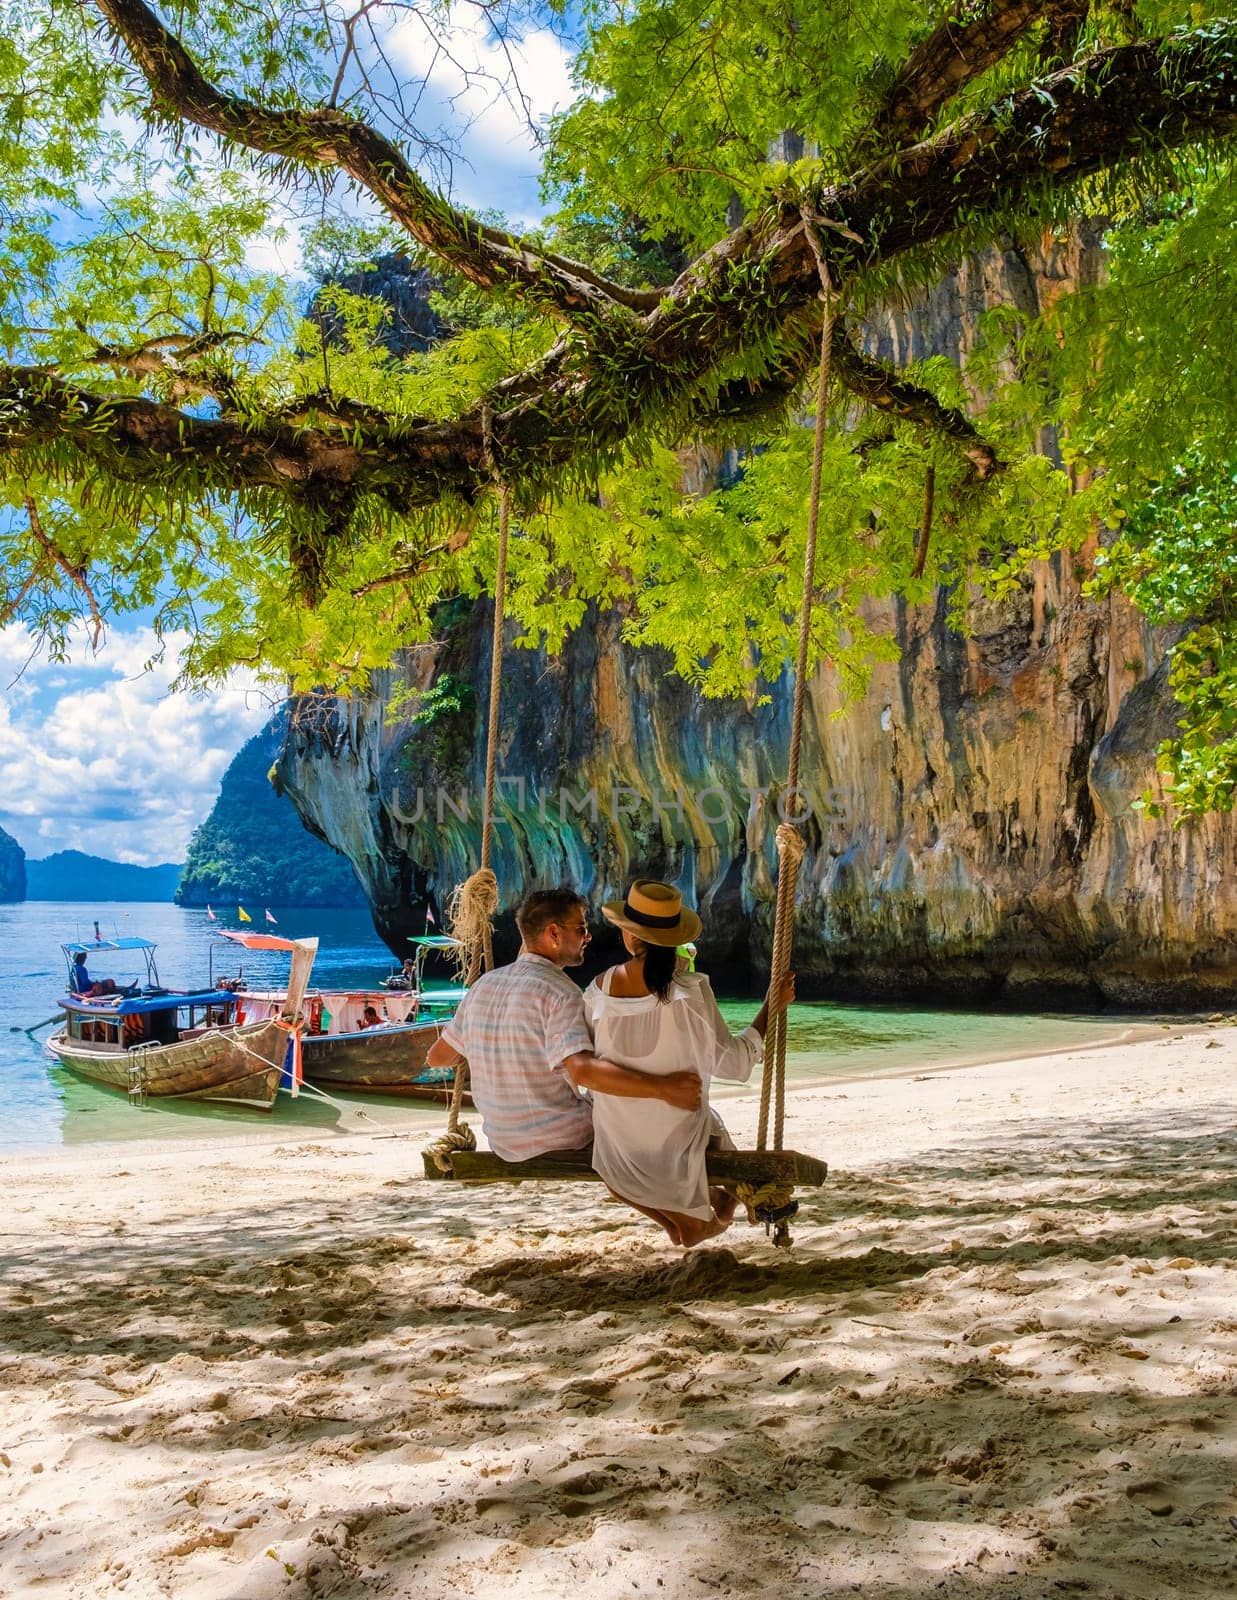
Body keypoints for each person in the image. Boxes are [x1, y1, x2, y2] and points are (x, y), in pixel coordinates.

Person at [584, 879, 795, 1248]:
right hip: (675, 1146)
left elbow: (589, 1060)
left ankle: (716, 1209)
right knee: (706, 1124)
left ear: (631, 938)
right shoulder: (692, 991)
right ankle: (728, 1203)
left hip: (617, 1149)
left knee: (702, 1123)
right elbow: (731, 1063)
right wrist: (769, 1009)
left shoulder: (597, 990)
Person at [425, 886, 702, 1164]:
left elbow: (438, 1057)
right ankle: (704, 1196)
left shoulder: (483, 986)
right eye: (581, 929)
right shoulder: (561, 992)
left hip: (504, 1142)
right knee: (657, 1120)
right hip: (562, 1136)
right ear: (554, 934)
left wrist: (492, 1041)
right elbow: (581, 1071)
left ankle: (705, 1200)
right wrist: (664, 1087)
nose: (588, 937)